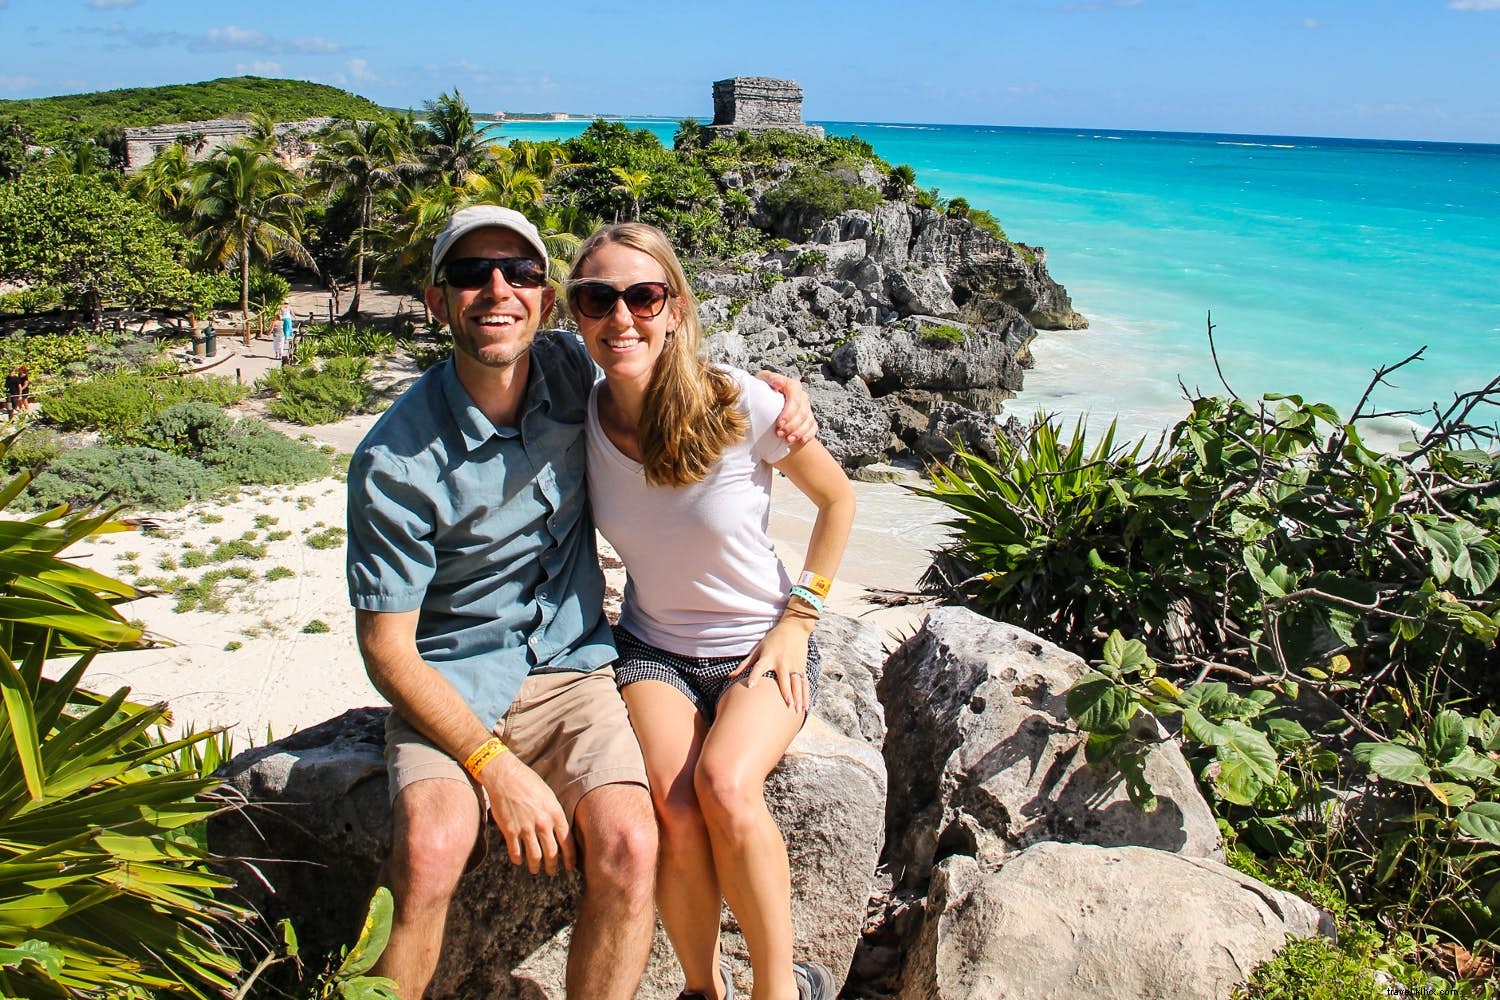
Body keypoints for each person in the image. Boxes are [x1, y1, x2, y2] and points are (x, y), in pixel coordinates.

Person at [345, 205, 816, 1000]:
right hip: (452, 677)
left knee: (635, 842)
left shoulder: (573, 368)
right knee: (431, 848)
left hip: (574, 667)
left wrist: (779, 396)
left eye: (520, 273)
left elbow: (656, 349)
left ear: (544, 299)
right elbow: (386, 648)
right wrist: (489, 764)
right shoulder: (395, 459)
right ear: (435, 303)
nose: (497, 291)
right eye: (470, 275)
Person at [567, 223, 856, 1000]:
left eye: (642, 295)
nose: (620, 316)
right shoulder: (575, 412)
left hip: (762, 641)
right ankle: (705, 989)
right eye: (598, 298)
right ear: (576, 314)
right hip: (652, 646)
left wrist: (800, 619)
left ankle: (778, 990)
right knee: (674, 806)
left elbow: (837, 502)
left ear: (674, 307)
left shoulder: (742, 402)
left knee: (727, 785)